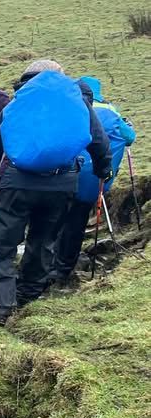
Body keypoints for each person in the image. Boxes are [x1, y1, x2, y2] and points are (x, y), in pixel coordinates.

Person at [0, 60, 112, 324]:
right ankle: (28, 295)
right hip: (61, 183)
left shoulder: (18, 101)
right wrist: (103, 169)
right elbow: (98, 140)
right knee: (43, 241)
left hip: (16, 182)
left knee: (3, 246)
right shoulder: (77, 101)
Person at [48, 76, 137, 287]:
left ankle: (44, 266)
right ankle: (63, 268)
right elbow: (129, 138)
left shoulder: (69, 109)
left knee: (54, 220)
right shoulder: (111, 111)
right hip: (95, 181)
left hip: (62, 177)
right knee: (76, 223)